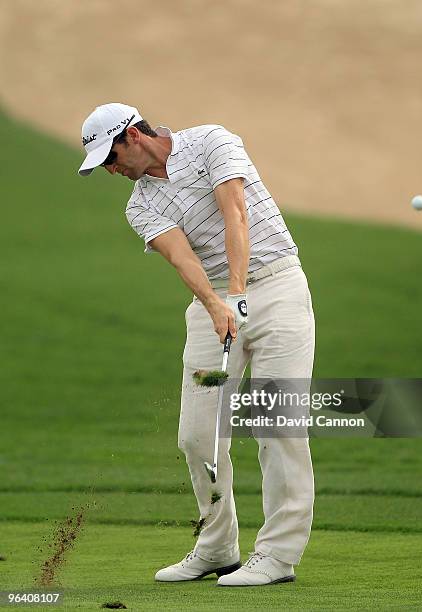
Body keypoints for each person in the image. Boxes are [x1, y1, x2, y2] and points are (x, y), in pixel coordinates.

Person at [78, 102, 315, 587]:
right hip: (212, 309)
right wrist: (216, 304)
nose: (110, 169)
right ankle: (217, 547)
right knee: (198, 433)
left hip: (278, 294)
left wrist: (239, 293)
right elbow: (182, 258)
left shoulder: (212, 141)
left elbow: (236, 213)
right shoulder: (139, 204)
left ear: (134, 137)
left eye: (111, 156)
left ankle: (277, 556)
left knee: (278, 426)